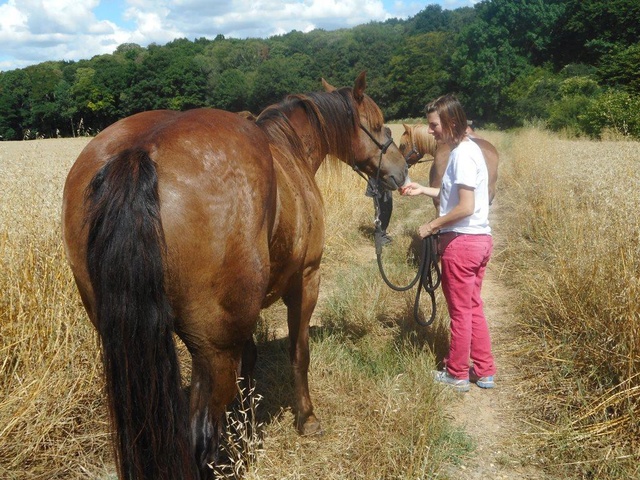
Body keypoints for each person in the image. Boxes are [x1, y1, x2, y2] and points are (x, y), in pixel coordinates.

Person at [401, 94, 496, 392]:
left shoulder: (462, 155)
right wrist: (423, 190)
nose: (430, 132)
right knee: (473, 306)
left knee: (460, 312)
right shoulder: (467, 151)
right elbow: (452, 194)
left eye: (433, 125)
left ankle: (456, 373)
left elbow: (465, 206)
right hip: (478, 240)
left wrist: (432, 225)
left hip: (462, 242)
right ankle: (485, 371)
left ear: (451, 122)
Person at [366, 177, 393, 245]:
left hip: (383, 179)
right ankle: (379, 236)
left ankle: (381, 233)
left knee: (386, 207)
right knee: (381, 208)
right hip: (377, 180)